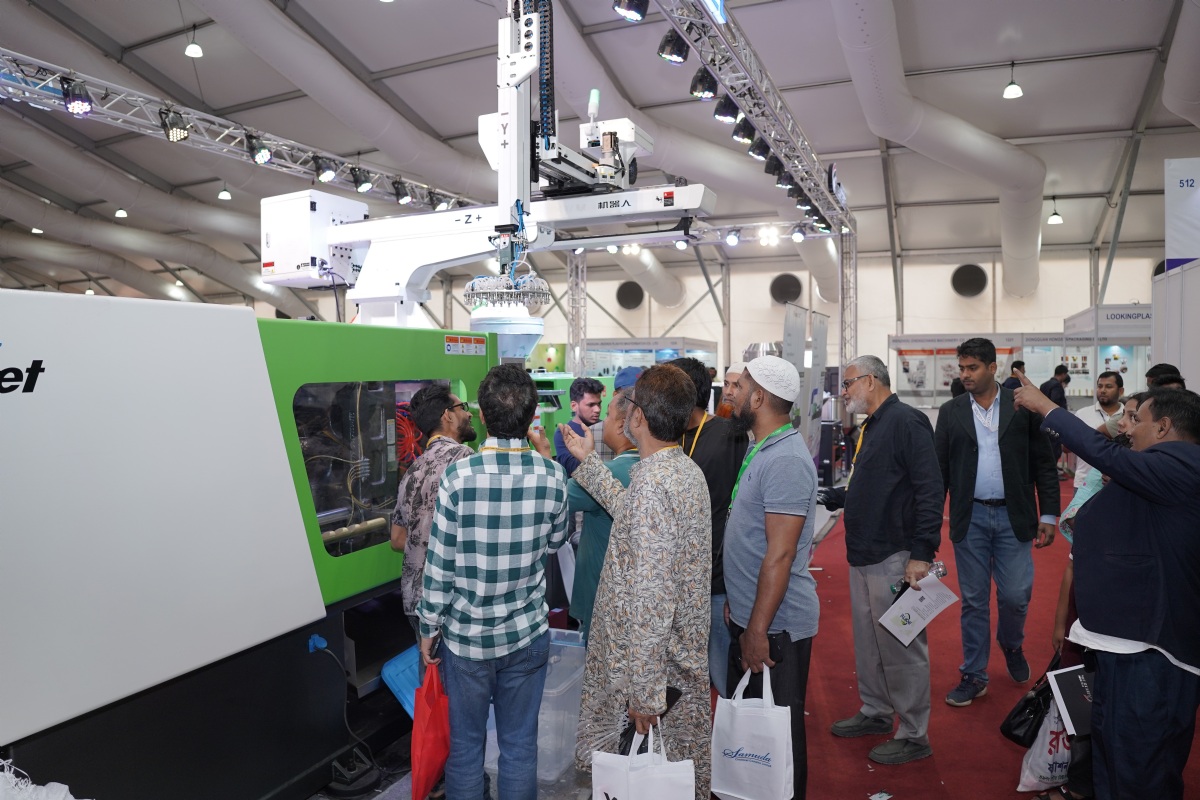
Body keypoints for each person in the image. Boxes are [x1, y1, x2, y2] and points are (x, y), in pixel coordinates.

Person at [1013, 382, 1200, 800]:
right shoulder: (1158, 471)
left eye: (1137, 420)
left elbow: (1103, 452)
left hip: (1151, 652)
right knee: (1114, 754)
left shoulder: (1182, 463)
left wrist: (1046, 408)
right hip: (1126, 642)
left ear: (1164, 427)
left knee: (1138, 765)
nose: (1127, 429)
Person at [561, 365, 713, 800]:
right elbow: (632, 513)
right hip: (676, 661)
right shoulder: (681, 471)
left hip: (651, 674)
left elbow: (651, 597)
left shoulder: (653, 486)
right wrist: (590, 464)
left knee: (643, 779)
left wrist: (646, 694)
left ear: (639, 417)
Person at [417, 364, 569, 800]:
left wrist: (429, 627)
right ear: (532, 415)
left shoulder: (459, 477)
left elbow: (440, 564)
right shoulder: (552, 474)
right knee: (519, 746)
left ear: (482, 415)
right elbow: (556, 541)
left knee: (466, 749)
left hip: (467, 639)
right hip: (527, 635)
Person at [818, 355, 942, 765]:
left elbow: (929, 488)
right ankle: (876, 711)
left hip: (895, 553)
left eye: (849, 383)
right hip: (865, 551)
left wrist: (921, 553)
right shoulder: (873, 425)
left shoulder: (906, 421)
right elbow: (876, 484)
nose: (844, 392)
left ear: (871, 381)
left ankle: (914, 734)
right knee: (870, 643)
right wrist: (837, 496)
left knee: (901, 646)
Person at [935, 337, 1059, 706]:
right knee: (974, 601)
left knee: (1015, 596)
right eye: (962, 368)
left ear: (992, 368)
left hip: (1014, 515)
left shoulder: (1023, 406)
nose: (965, 374)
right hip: (969, 517)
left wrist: (1048, 514)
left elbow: (1044, 464)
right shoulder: (951, 411)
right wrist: (927, 524)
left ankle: (1012, 643)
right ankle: (974, 674)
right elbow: (940, 471)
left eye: (972, 368)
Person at [724, 355, 819, 800]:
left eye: (741, 387)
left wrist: (758, 629)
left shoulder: (785, 460)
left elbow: (780, 555)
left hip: (776, 627)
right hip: (756, 616)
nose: (732, 394)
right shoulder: (762, 447)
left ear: (759, 398)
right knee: (753, 739)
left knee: (778, 741)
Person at [669, 356, 749, 698]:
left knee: (721, 667)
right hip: (675, 578)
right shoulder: (667, 438)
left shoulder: (729, 435)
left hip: (715, 578)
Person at [390, 385, 477, 634]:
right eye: (462, 407)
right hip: (451, 603)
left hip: (416, 602)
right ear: (447, 415)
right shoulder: (465, 458)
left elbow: (397, 540)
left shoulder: (413, 471)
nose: (469, 414)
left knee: (428, 660)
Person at [566, 386, 638, 642]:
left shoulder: (609, 473)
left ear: (621, 425)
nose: (602, 420)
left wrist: (543, 455)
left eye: (607, 414)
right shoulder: (649, 468)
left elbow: (558, 498)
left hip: (601, 598)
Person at [1071, 371, 1123, 492]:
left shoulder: (1128, 416)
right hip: (1085, 482)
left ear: (1120, 391)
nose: (1103, 390)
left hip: (1120, 482)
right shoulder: (1082, 413)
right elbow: (1067, 447)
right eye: (1100, 386)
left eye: (1108, 386)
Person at [553, 376, 604, 476]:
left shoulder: (606, 428)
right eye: (591, 405)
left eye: (599, 404)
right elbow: (570, 469)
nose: (597, 409)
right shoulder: (564, 433)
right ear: (574, 406)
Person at [591, 366, 641, 463]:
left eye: (640, 394)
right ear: (615, 395)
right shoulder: (593, 433)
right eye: (628, 394)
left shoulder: (652, 431)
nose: (634, 399)